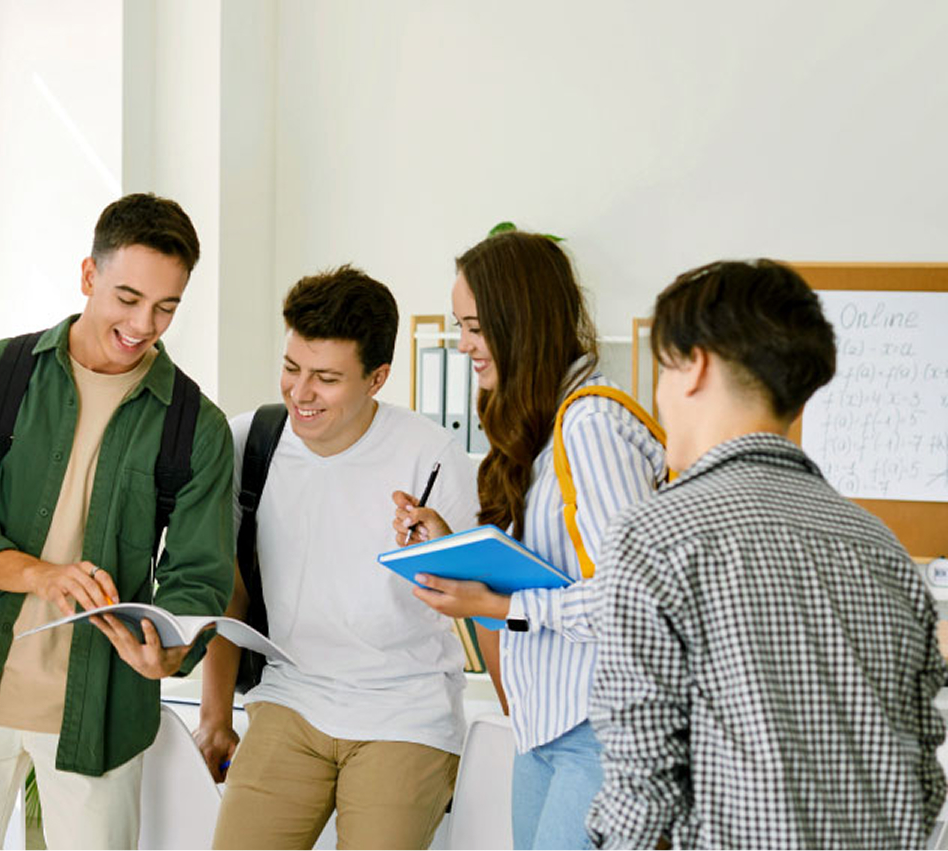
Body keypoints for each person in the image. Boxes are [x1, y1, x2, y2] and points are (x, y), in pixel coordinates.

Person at [0, 192, 235, 849]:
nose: (143, 324)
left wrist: (172, 650)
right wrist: (42, 575)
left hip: (100, 712)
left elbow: (198, 576)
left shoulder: (197, 427)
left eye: (166, 307)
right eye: (128, 297)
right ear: (89, 275)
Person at [584, 260, 947, 848]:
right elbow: (922, 769)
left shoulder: (655, 536)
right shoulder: (880, 545)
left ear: (695, 364)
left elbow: (641, 788)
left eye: (662, 368)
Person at [395, 230, 665, 850]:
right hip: (547, 727)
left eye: (475, 327)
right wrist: (453, 548)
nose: (462, 345)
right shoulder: (540, 430)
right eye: (461, 327)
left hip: (601, 729)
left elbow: (630, 599)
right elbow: (551, 572)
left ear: (523, 323)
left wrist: (498, 604)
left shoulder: (591, 425)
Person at [197, 266, 480, 849]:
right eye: (291, 368)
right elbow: (232, 590)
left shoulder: (431, 457)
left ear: (377, 378)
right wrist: (214, 716)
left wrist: (439, 550)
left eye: (326, 378)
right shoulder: (251, 441)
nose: (301, 393)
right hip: (290, 698)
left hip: (404, 711)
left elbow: (481, 597)